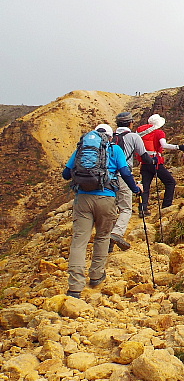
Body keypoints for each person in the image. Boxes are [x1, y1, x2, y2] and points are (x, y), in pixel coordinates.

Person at [62, 124, 141, 297]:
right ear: (110, 137)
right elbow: (126, 173)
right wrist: (136, 189)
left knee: (79, 242)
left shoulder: (82, 150)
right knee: (103, 237)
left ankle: (75, 287)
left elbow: (66, 174)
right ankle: (96, 276)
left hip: (83, 199)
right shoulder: (114, 150)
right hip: (107, 198)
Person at [110, 112, 156, 252]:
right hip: (123, 175)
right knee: (126, 208)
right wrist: (153, 161)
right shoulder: (133, 137)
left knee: (112, 209)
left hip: (106, 178)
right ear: (130, 123)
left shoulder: (110, 137)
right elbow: (144, 156)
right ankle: (116, 233)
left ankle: (107, 244)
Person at [136, 114, 184, 216]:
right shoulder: (159, 132)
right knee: (170, 182)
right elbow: (164, 145)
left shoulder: (142, 134)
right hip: (156, 163)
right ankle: (166, 206)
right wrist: (178, 147)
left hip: (145, 162)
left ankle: (143, 209)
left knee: (145, 186)